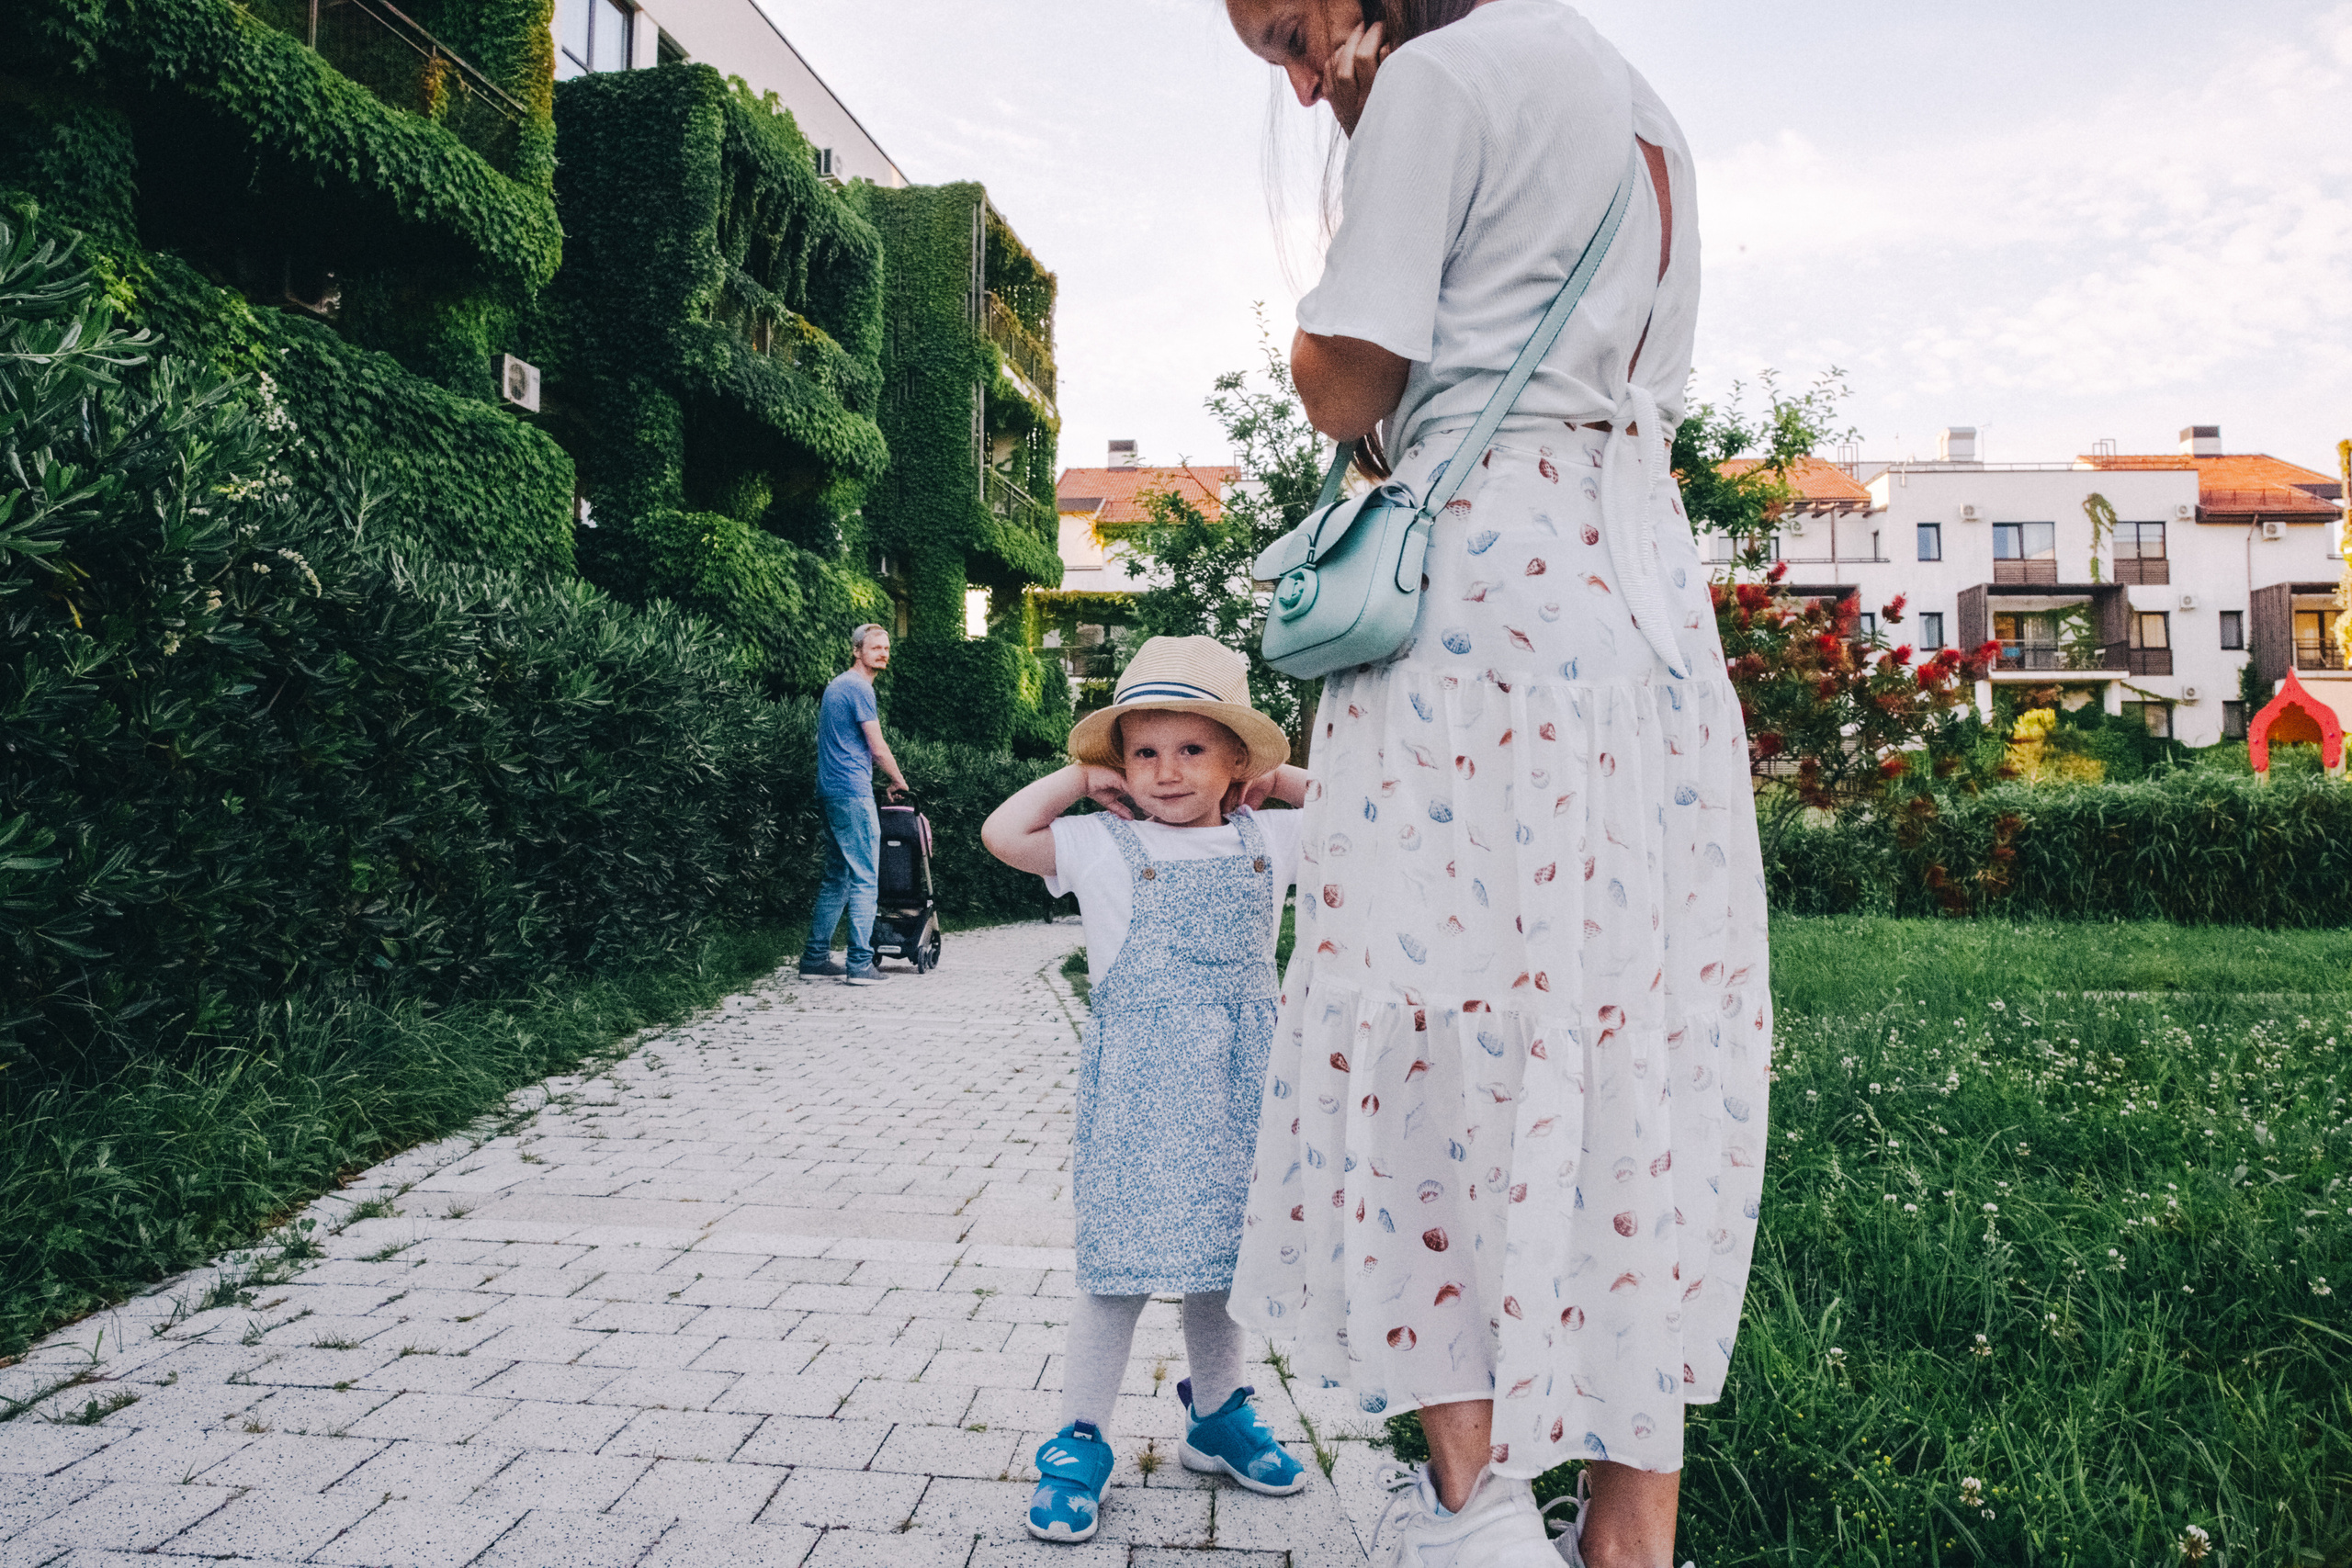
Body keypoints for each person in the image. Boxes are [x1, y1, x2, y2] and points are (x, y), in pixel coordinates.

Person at [1220, 4, 1770, 1567]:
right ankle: (1626, 1529)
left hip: (1482, 600)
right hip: (1644, 599)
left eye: (1281, 25)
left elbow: (1345, 384)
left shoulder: (1438, 85)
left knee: (1423, 1001)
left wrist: (1355, 155)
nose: (1290, 65)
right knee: (1631, 1028)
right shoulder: (1645, 103)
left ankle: (1466, 1509)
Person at [980, 637, 1317, 1544]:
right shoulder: (1099, 842)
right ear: (1117, 765)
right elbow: (1003, 835)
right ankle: (1081, 1435)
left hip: (1241, 1091)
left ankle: (1217, 1417)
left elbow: (1362, 814)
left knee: (1223, 1263)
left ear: (1235, 760)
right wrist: (1076, 781)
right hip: (1138, 1096)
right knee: (1118, 1267)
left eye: (1195, 750)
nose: (1166, 772)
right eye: (1143, 752)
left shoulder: (1270, 837)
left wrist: (1273, 783)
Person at [802, 624, 910, 986]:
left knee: (838, 878)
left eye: (887, 648)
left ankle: (814, 959)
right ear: (856, 650)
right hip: (852, 793)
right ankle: (860, 964)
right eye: (875, 647)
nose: (883, 653)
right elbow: (877, 747)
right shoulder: (859, 688)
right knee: (866, 878)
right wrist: (899, 780)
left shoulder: (836, 686)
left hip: (830, 791)